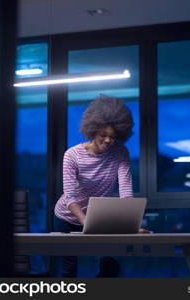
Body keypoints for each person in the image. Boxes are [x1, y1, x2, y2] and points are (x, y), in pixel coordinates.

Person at [53, 95, 149, 278]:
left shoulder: (120, 152)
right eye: (103, 135)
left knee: (109, 266)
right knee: (68, 269)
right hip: (67, 217)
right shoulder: (72, 155)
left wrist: (131, 226)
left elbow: (126, 192)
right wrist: (86, 223)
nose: (107, 140)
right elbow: (69, 197)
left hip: (100, 220)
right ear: (92, 131)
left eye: (112, 137)